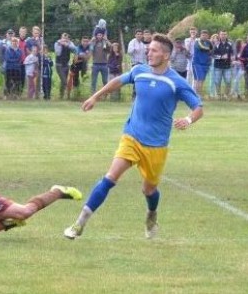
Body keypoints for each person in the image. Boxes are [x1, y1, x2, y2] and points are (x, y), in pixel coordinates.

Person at [63, 34, 203, 240]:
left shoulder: (177, 82)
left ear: (165, 55)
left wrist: (188, 120)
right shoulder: (139, 71)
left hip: (157, 146)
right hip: (132, 137)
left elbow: (198, 107)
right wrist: (95, 97)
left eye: (154, 50)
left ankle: (151, 215)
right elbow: (117, 82)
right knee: (110, 178)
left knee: (149, 190)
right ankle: (79, 223)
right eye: (149, 49)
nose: (149, 52)